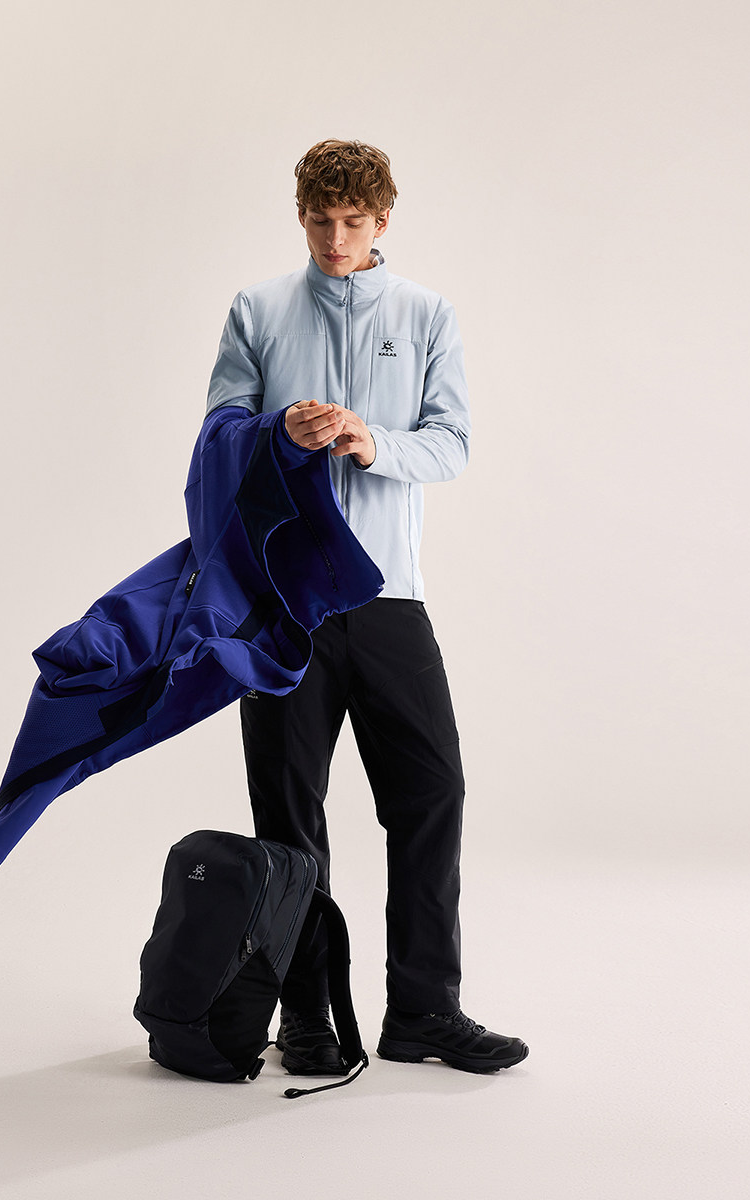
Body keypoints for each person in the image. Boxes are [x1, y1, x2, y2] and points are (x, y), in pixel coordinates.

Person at [205, 139, 527, 1075]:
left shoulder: (426, 313)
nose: (336, 239)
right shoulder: (258, 309)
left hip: (388, 597)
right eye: (320, 220)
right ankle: (306, 1016)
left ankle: (423, 1011)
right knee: (288, 812)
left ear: (383, 219)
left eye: (353, 222)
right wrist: (279, 430)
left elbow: (451, 443)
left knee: (432, 793)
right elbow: (219, 436)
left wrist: (370, 441)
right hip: (285, 603)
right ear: (300, 216)